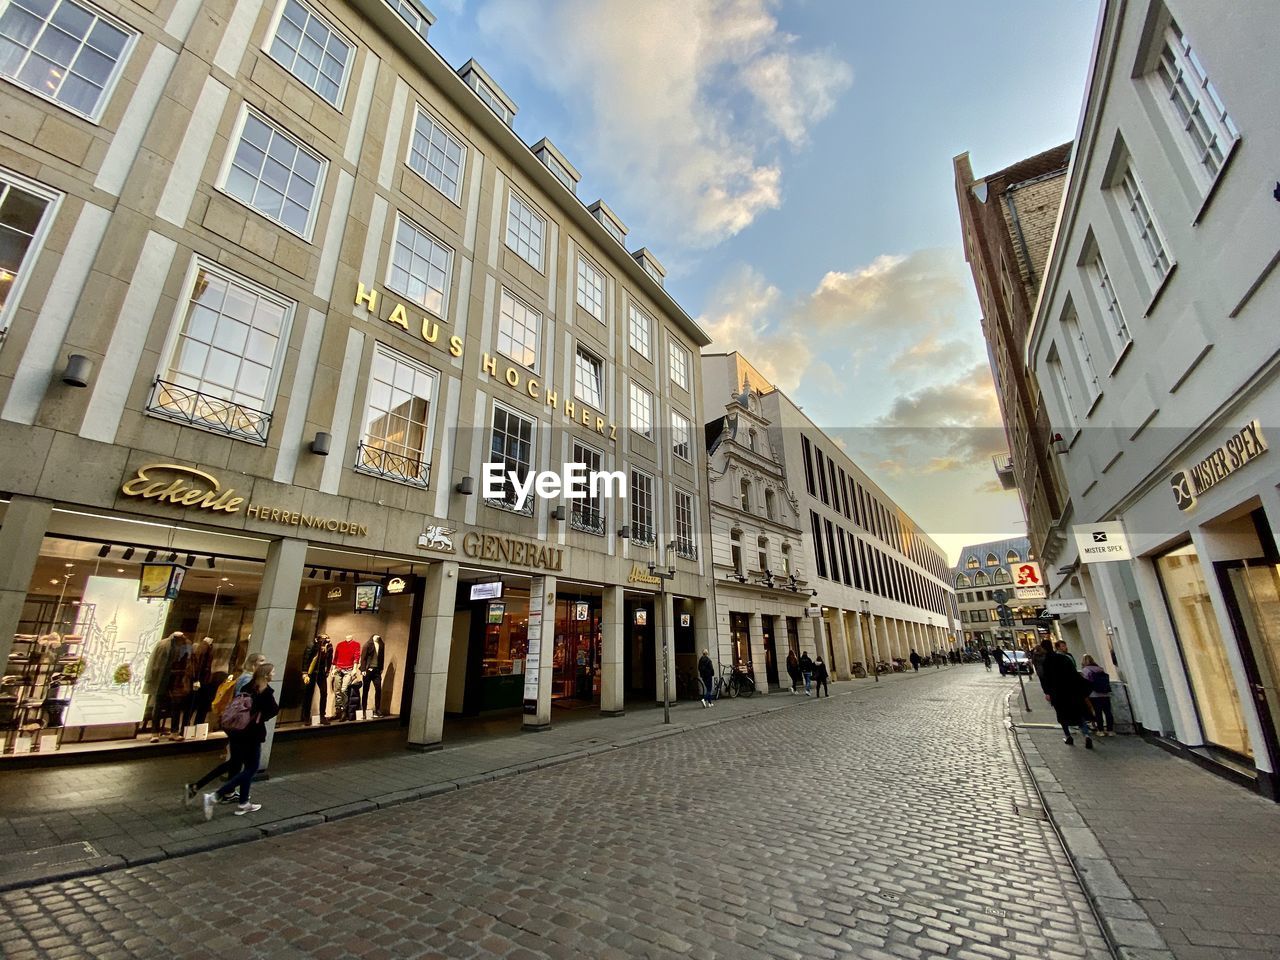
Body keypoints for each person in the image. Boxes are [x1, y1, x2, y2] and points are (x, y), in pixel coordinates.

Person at [185, 653, 265, 807]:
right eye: (261, 661)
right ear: (254, 664)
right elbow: (245, 705)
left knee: (235, 762)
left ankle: (206, 789)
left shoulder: (244, 678)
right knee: (246, 765)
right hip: (241, 727)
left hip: (238, 727)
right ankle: (223, 795)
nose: (264, 664)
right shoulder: (247, 680)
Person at [202, 662, 279, 819]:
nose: (274, 675)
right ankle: (215, 796)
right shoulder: (264, 693)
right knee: (251, 768)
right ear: (266, 675)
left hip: (238, 732)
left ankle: (243, 803)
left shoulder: (247, 687)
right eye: (273, 672)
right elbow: (272, 710)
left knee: (246, 768)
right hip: (252, 734)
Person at [1037, 639, 1093, 748]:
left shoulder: (1046, 662)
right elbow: (1074, 673)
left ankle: (1068, 736)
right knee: (1078, 713)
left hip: (1057, 693)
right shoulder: (1063, 658)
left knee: (1062, 715)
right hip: (1071, 691)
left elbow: (1044, 679)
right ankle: (1086, 735)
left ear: (1043, 648)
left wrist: (1047, 692)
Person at [1081, 655, 1114, 736]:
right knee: (1108, 712)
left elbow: (1085, 683)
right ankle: (1110, 730)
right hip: (1105, 693)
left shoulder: (1085, 670)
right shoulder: (1100, 669)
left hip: (1094, 694)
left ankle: (1100, 730)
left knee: (1098, 712)